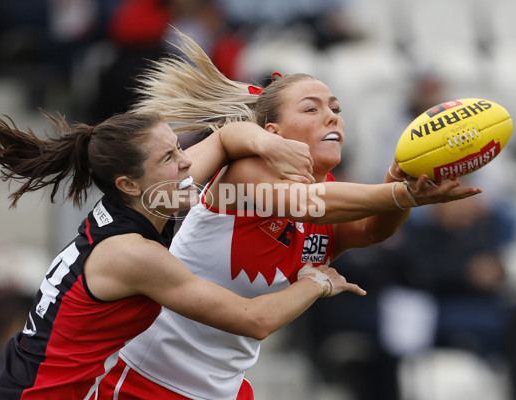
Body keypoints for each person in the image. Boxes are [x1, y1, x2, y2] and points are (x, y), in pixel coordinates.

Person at [97, 29, 483, 399]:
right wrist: (400, 194)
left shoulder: (335, 194)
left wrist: (398, 177)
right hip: (145, 377)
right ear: (273, 132)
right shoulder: (246, 171)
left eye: (336, 108)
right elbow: (311, 204)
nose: (332, 117)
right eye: (311, 109)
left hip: (222, 386)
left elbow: (370, 229)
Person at [0, 110, 367, 399]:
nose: (187, 162)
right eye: (168, 159)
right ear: (128, 183)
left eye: (178, 147)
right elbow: (254, 319)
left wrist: (269, 143)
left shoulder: (148, 201)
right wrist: (316, 283)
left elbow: (229, 138)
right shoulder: (132, 254)